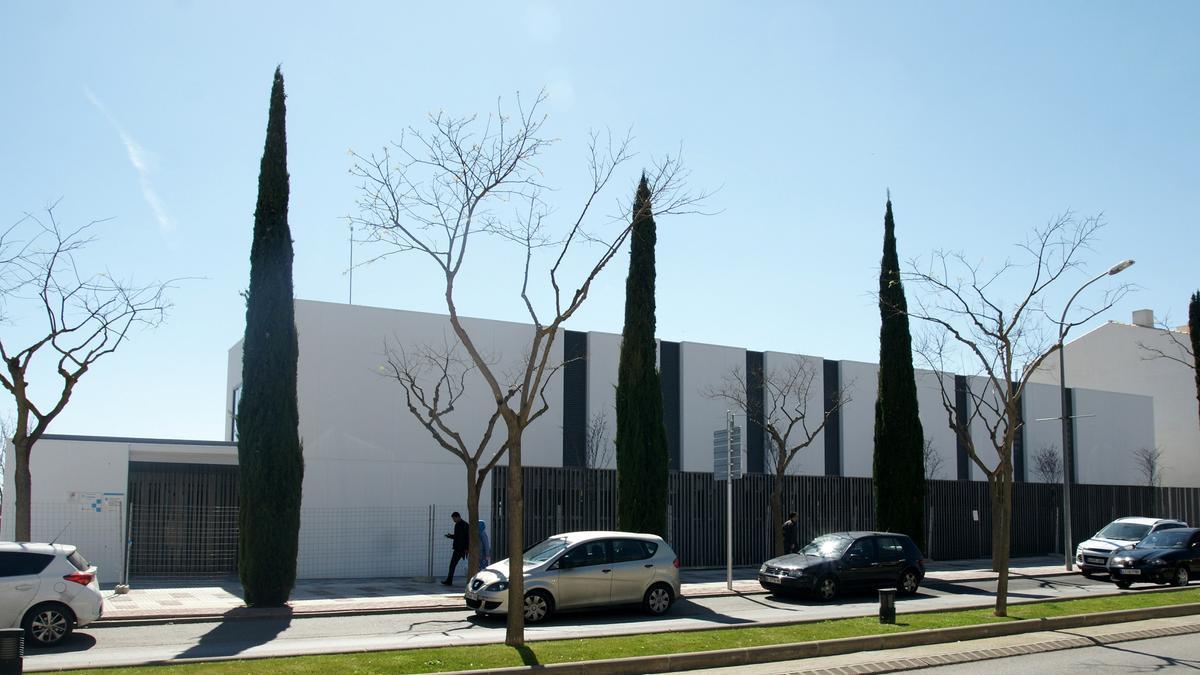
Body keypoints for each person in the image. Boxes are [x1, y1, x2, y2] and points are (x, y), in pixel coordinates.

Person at [441, 511, 469, 585]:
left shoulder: (465, 525)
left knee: (455, 565)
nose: (453, 520)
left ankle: (450, 581)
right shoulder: (457, 525)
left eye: (454, 519)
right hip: (457, 548)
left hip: (462, 549)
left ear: (458, 517)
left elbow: (468, 538)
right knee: (452, 565)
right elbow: (457, 537)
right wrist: (450, 536)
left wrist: (467, 548)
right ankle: (449, 581)